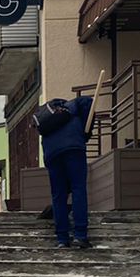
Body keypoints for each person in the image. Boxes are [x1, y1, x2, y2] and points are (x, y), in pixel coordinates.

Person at [40, 94, 94, 249]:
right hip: (73, 149)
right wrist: (86, 131)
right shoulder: (74, 107)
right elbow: (88, 101)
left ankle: (62, 238)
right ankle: (80, 235)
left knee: (58, 195)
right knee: (78, 189)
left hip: (52, 154)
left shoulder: (49, 119)